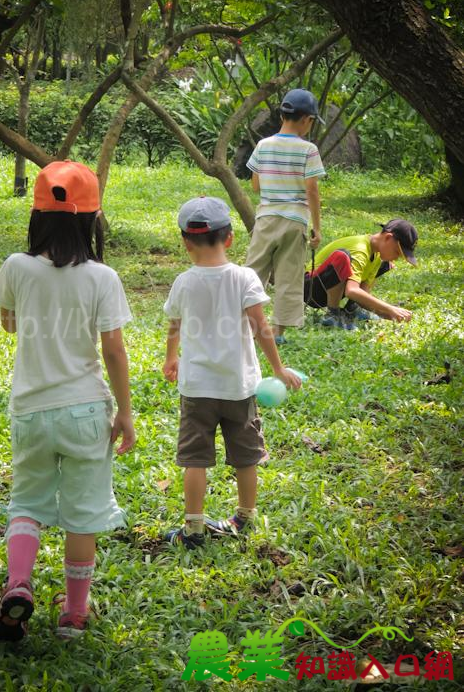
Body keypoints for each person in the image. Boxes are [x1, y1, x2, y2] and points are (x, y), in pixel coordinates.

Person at [0, 161, 135, 641]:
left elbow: (9, 323)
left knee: (26, 503)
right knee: (81, 513)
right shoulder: (102, 277)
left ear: (37, 216)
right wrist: (126, 412)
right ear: (91, 220)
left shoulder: (16, 266)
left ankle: (19, 585)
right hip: (86, 412)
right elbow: (113, 350)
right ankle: (73, 614)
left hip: (30, 410)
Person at [162, 196, 301, 549]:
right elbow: (262, 328)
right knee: (245, 456)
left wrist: (171, 358)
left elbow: (174, 326)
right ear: (230, 238)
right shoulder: (244, 277)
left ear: (185, 241)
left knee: (195, 459)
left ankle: (193, 528)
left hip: (196, 388)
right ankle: (245, 517)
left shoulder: (183, 281)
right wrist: (278, 368)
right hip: (239, 387)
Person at [245, 88, 326, 344]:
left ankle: (247, 329)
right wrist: (317, 227)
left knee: (253, 273)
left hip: (266, 218)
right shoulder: (309, 150)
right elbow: (312, 189)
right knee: (288, 277)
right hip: (295, 220)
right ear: (306, 119)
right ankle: (278, 333)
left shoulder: (263, 145)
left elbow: (255, 186)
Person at [304, 219, 418, 329]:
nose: (396, 257)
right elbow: (352, 291)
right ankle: (333, 314)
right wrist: (389, 308)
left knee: (385, 264)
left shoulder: (377, 255)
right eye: (397, 252)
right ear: (388, 237)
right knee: (342, 257)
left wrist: (387, 314)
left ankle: (352, 309)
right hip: (311, 289)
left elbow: (363, 294)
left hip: (327, 288)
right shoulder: (360, 249)